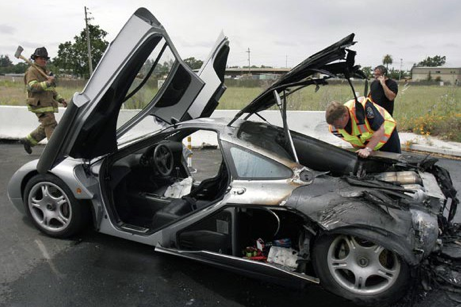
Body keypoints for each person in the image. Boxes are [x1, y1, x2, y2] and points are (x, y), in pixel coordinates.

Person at [21, 47, 67, 154]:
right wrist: (47, 82)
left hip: (47, 104)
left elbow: (51, 90)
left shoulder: (45, 71)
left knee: (46, 124)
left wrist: (61, 99)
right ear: (35, 58)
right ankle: (53, 152)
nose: (43, 60)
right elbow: (33, 87)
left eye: (45, 58)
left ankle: (28, 140)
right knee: (50, 125)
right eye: (41, 58)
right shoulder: (32, 71)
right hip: (39, 105)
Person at [325, 97, 401, 158]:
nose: (336, 127)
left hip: (387, 137)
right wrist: (365, 150)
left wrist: (367, 149)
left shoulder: (362, 108)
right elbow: (354, 139)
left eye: (337, 125)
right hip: (367, 147)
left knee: (396, 162)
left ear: (345, 115)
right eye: (333, 125)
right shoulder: (334, 129)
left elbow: (380, 130)